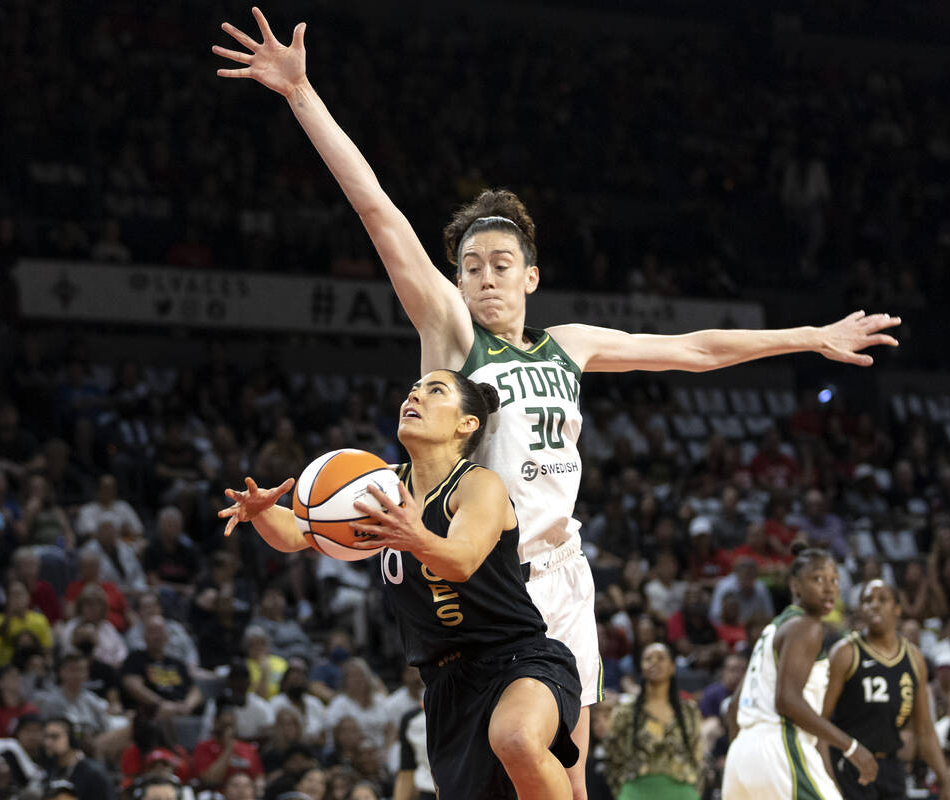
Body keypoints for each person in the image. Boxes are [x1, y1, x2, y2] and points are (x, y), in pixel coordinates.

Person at [213, 12, 901, 800]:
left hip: (561, 576)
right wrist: (302, 95)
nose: (484, 277)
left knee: (563, 778)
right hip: (477, 574)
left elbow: (697, 349)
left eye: (501, 264)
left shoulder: (569, 343)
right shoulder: (449, 337)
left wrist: (811, 335)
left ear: (531, 276)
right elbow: (380, 215)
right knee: (498, 764)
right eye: (470, 265)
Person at [218, 369, 582, 799]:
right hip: (448, 684)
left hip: (517, 658)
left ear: (467, 423)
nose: (415, 396)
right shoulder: (380, 485)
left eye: (435, 390)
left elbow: (462, 561)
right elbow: (299, 532)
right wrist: (260, 511)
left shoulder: (478, 484)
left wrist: (417, 536)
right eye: (413, 389)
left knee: (516, 737)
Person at [721, 546, 877, 799]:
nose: (829, 588)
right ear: (794, 585)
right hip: (780, 744)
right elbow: (787, 701)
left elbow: (734, 707)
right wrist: (851, 747)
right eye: (817, 579)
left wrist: (746, 760)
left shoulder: (773, 629)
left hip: (741, 755)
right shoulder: (807, 626)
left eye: (834, 580)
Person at [821, 580, 950, 800]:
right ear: (860, 611)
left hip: (891, 766)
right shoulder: (845, 653)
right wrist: (828, 778)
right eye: (867, 600)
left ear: (897, 609)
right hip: (849, 765)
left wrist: (944, 779)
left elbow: (924, 730)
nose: (874, 605)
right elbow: (820, 724)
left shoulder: (914, 658)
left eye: (882, 599)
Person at [605, 642, 703, 799]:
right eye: (648, 659)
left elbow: (697, 756)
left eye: (661, 658)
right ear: (641, 668)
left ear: (672, 667)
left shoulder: (689, 711)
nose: (654, 662)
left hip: (681, 792)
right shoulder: (625, 710)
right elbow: (612, 755)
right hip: (635, 791)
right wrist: (622, 790)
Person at [41, 717, 115, 800]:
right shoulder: (49, 768)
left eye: (54, 737)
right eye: (46, 737)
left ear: (71, 738)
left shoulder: (92, 773)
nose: (47, 742)